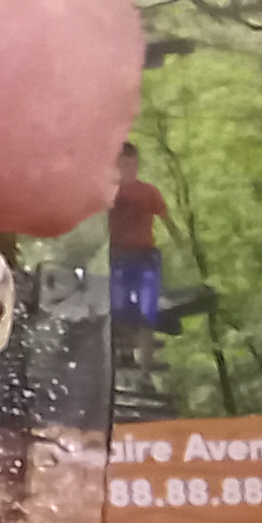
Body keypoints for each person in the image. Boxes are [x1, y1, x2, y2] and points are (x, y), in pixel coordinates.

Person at [110, 141, 173, 377]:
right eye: (124, 164)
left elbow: (166, 218)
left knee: (147, 312)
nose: (129, 169)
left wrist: (179, 242)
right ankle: (124, 355)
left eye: (133, 164)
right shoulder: (108, 192)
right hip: (117, 255)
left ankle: (145, 371)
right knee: (119, 308)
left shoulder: (149, 192)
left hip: (145, 256)